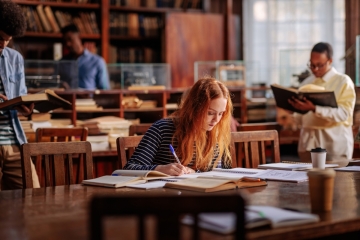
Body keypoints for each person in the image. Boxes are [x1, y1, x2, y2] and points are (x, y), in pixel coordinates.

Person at [124, 77, 233, 175]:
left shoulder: (216, 132)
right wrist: (159, 169)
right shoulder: (162, 129)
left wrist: (195, 172)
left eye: (221, 113)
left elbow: (218, 174)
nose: (216, 120)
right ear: (194, 108)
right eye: (210, 113)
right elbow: (129, 169)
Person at [289, 42, 356, 162]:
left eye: (319, 65)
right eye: (312, 65)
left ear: (330, 61)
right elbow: (300, 119)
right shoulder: (306, 83)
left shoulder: (343, 81)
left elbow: (344, 114)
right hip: (307, 147)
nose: (315, 69)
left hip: (334, 147)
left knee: (338, 181)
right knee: (306, 181)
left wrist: (315, 108)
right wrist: (294, 108)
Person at [0, 0, 40, 189]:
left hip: (16, 141)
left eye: (8, 39)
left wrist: (25, 107)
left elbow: (20, 95)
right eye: (0, 37)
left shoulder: (15, 58)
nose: (3, 43)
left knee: (34, 198)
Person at [60, 24, 110, 90]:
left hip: (90, 99)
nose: (67, 44)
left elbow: (105, 89)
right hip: (67, 99)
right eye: (65, 41)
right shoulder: (62, 62)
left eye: (70, 39)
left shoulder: (97, 61)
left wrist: (89, 95)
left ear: (79, 37)